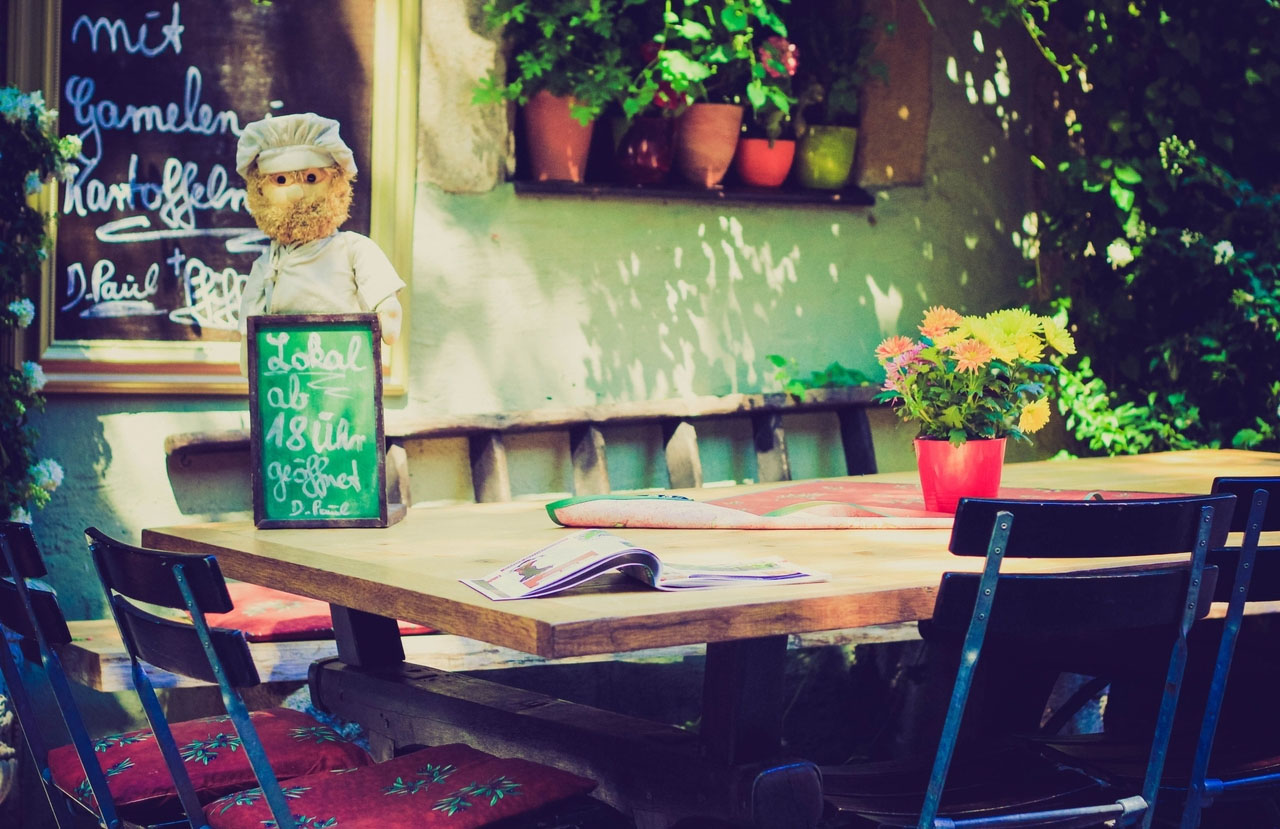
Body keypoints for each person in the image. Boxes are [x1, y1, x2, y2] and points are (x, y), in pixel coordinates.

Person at [235, 112, 404, 373]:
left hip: (344, 363)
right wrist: (250, 347)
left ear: (337, 183)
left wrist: (386, 305)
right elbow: (252, 316)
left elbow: (376, 279)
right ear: (260, 192)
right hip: (287, 365)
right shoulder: (268, 263)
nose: (296, 192)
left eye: (311, 178)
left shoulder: (350, 248)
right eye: (280, 180)